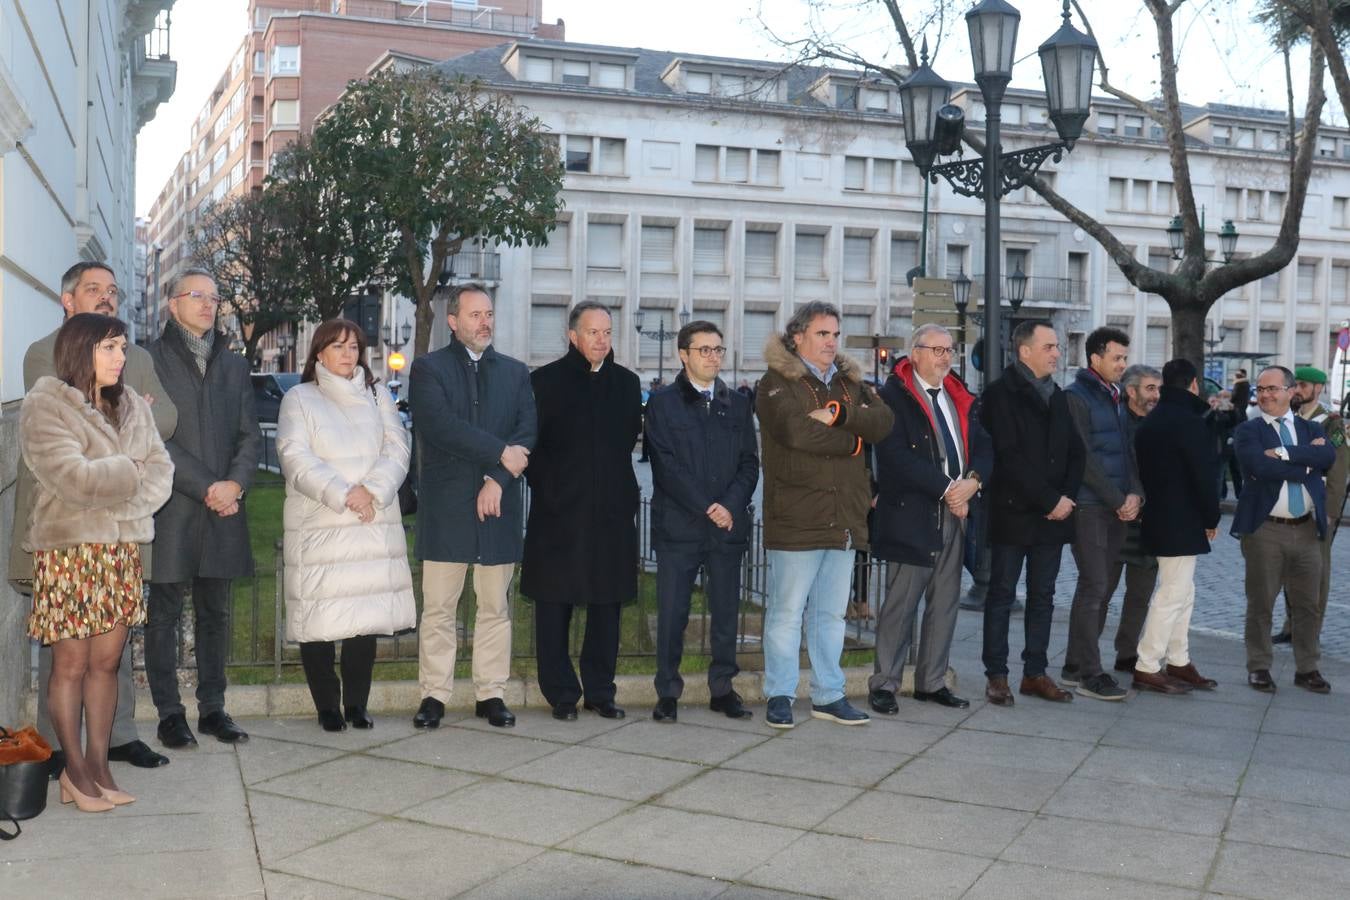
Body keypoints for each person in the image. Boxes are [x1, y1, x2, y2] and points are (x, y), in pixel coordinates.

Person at [8, 262, 177, 776]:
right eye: (94, 290)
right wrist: (128, 460)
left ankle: (112, 746)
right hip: (66, 535)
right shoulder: (46, 355)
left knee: (110, 653)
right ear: (67, 299)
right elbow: (72, 463)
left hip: (118, 540)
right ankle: (64, 755)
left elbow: (163, 424)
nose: (107, 297)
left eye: (112, 291)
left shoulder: (135, 358)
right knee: (67, 658)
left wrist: (123, 449)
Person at [756, 302, 894, 729]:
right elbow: (796, 433)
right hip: (797, 514)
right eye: (822, 334)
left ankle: (828, 694)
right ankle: (779, 694)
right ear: (797, 337)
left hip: (845, 517)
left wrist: (838, 415)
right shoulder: (775, 382)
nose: (831, 342)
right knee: (786, 611)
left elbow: (885, 421)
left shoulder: (850, 383)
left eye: (835, 334)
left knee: (831, 614)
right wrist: (854, 441)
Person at [276, 320, 416, 731]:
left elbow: (397, 445)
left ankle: (356, 704)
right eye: (338, 347)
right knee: (319, 619)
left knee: (363, 618)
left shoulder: (376, 394)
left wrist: (371, 490)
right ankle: (326, 706)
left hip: (372, 519)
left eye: (354, 347)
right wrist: (343, 493)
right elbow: (294, 456)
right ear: (319, 352)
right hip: (323, 522)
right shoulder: (299, 398)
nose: (347, 354)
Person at [407, 285, 536, 730]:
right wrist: (500, 454)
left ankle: (491, 693)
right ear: (453, 321)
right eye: (475, 314)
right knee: (439, 607)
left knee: (495, 606)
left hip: (497, 507)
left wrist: (498, 479)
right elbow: (440, 426)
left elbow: (527, 432)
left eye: (490, 314)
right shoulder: (428, 370)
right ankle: (434, 695)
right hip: (447, 507)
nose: (485, 322)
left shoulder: (516, 373)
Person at [145, 268, 263, 748]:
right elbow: (152, 437)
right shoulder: (147, 360)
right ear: (172, 304)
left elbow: (250, 435)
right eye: (197, 296)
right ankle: (170, 713)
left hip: (223, 509)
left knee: (216, 613)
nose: (208, 304)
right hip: (172, 506)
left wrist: (234, 483)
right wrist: (208, 485)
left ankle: (214, 708)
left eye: (214, 298)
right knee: (164, 614)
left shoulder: (233, 365)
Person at [522, 302, 642, 720]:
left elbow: (626, 440)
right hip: (559, 513)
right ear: (572, 336)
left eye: (607, 332)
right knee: (555, 604)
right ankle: (560, 693)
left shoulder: (627, 384)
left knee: (607, 605)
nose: (602, 340)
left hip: (610, 514)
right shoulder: (544, 382)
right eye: (593, 332)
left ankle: (600, 692)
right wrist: (553, 490)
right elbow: (529, 446)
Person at [869, 324, 992, 714]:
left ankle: (932, 681)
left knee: (944, 603)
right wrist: (947, 489)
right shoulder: (893, 397)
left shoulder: (960, 397)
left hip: (955, 515)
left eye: (949, 350)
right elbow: (896, 459)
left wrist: (972, 483)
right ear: (914, 353)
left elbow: (986, 447)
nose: (944, 357)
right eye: (935, 349)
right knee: (901, 604)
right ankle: (885, 683)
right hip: (913, 515)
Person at [645, 320, 759, 722]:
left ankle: (722, 688)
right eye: (704, 350)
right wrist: (706, 505)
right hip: (680, 527)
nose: (713, 357)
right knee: (673, 612)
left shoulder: (738, 403)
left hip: (726, 528)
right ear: (683, 354)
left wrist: (728, 505)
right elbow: (665, 465)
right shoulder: (662, 404)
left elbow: (749, 463)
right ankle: (668, 692)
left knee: (726, 612)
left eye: (718, 350)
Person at [979, 320, 1085, 707]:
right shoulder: (999, 396)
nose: (1057, 353)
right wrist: (1049, 499)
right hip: (1014, 513)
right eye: (1050, 346)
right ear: (1025, 352)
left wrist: (1067, 498)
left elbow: (1077, 452)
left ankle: (1035, 673)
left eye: (1057, 347)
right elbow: (1008, 458)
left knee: (1044, 596)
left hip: (1054, 516)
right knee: (1003, 594)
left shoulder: (1057, 395)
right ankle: (997, 675)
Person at [1232, 366, 1335, 694]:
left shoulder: (1308, 427)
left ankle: (1308, 668)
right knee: (1261, 602)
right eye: (1261, 389)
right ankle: (1259, 667)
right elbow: (1259, 466)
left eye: (1273, 389)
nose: (1265, 395)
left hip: (1306, 530)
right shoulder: (1250, 431)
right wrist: (1307, 463)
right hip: (1265, 529)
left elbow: (1328, 456)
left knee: (1308, 603)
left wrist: (1286, 453)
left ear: (1291, 392)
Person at [1131, 359, 1221, 694]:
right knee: (1172, 594)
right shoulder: (1190, 422)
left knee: (1183, 591)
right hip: (1182, 519)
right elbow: (1204, 475)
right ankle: (1147, 664)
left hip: (1159, 515)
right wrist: (1211, 517)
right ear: (1194, 384)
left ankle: (1179, 660)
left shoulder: (1153, 420)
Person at [1062, 327, 1140, 701]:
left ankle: (1074, 664)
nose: (1123, 365)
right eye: (1117, 358)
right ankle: (1089, 673)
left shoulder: (1115, 397)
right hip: (1090, 507)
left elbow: (1128, 452)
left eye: (1124, 358)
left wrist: (1136, 494)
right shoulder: (1076, 397)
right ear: (1095, 358)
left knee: (1102, 588)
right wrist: (1115, 498)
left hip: (1115, 507)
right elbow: (1083, 459)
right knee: (1094, 586)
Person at [1272, 366, 1348, 644]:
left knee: (1317, 572)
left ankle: (1309, 630)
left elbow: (1339, 470)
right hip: (1288, 503)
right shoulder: (1287, 419)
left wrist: (1330, 511)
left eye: (1304, 385)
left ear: (1319, 388)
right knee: (1289, 569)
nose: (1299, 390)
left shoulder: (1331, 422)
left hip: (1317, 506)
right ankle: (1291, 625)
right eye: (1296, 385)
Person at [1103, 364, 1162, 673]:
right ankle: (1083, 654)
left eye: (1158, 389)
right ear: (1131, 391)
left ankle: (1126, 652)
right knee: (1101, 590)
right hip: (1116, 517)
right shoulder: (1113, 421)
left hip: (1150, 522)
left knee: (1140, 594)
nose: (1156, 395)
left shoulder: (1162, 424)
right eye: (1150, 388)